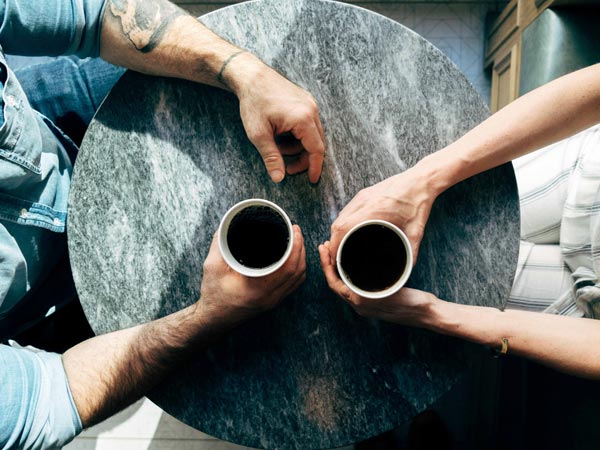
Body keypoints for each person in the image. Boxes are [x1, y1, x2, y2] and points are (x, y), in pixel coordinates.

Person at [0, 0, 325, 448]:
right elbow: (50, 398)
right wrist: (207, 318)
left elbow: (93, 15)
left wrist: (243, 72)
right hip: (42, 295)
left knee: (273, 84)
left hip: (47, 119)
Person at [320, 63, 600, 380]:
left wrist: (433, 313)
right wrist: (421, 181)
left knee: (458, 284)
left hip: (589, 312)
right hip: (589, 177)